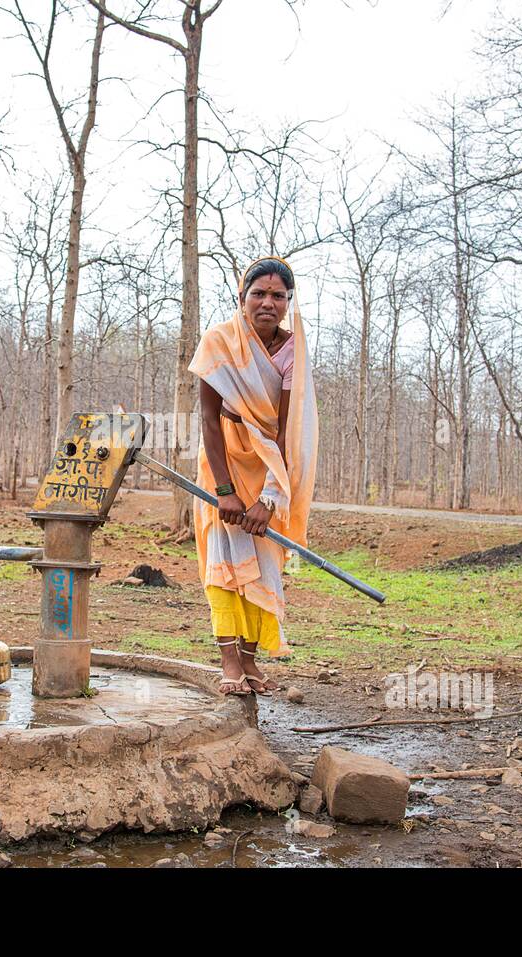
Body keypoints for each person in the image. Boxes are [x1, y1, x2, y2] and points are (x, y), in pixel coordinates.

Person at [189, 256, 318, 696]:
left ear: (288, 302)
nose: (268, 303)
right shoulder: (219, 341)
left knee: (262, 566)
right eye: (258, 294)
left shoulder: (292, 350)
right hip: (221, 462)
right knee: (224, 564)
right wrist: (223, 491)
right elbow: (208, 420)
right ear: (241, 299)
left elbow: (285, 431)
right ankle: (229, 663)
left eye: (277, 296)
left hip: (269, 472)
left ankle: (251, 661)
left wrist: (268, 499)